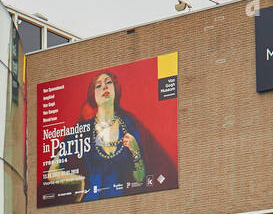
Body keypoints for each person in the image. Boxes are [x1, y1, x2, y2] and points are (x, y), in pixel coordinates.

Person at [45, 69, 178, 203]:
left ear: (115, 89)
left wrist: (136, 151)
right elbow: (52, 173)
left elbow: (140, 178)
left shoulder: (130, 125)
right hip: (90, 203)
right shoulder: (82, 130)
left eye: (109, 83)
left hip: (121, 204)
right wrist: (79, 181)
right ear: (93, 95)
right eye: (98, 85)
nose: (104, 87)